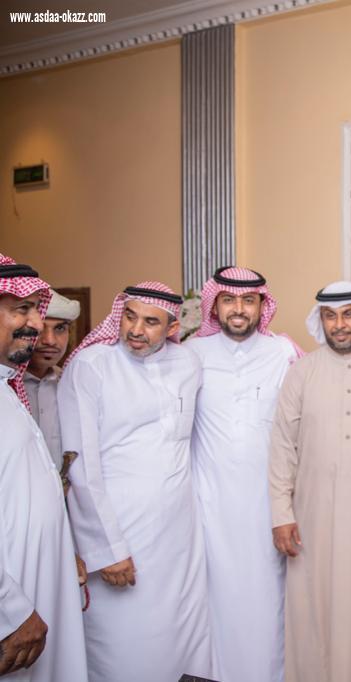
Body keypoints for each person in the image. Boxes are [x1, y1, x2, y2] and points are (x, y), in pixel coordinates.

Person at [59, 282, 211, 682]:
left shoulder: (188, 363)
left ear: (172, 327)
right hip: (121, 532)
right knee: (123, 649)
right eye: (129, 317)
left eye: (150, 322)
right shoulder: (91, 365)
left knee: (181, 646)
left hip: (180, 541)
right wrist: (106, 549)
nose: (136, 330)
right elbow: (81, 464)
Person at [268, 281, 351, 682]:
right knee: (313, 611)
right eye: (330, 316)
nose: (339, 325)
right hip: (312, 518)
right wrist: (281, 514)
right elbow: (282, 447)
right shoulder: (301, 372)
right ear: (320, 320)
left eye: (348, 315)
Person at [188, 267, 299, 682]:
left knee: (268, 600)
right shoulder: (191, 354)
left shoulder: (283, 352)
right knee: (214, 601)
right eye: (229, 300)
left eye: (248, 301)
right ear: (214, 305)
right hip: (208, 505)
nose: (239, 309)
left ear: (261, 306)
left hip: (266, 506)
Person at [0, 254, 88, 680]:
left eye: (37, 310)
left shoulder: (6, 389)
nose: (36, 324)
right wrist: (11, 610)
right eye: (22, 309)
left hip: (36, 591)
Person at [24, 289, 80, 468]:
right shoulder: (6, 387)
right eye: (40, 328)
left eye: (60, 328)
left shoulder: (72, 384)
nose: (49, 340)